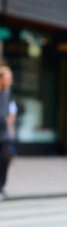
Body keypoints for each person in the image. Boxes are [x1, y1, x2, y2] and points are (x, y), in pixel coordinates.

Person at [0, 66, 15, 198]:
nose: (10, 80)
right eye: (8, 77)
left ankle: (1, 186)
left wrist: (10, 119)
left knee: (5, 158)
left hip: (4, 133)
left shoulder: (7, 93)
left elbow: (11, 109)